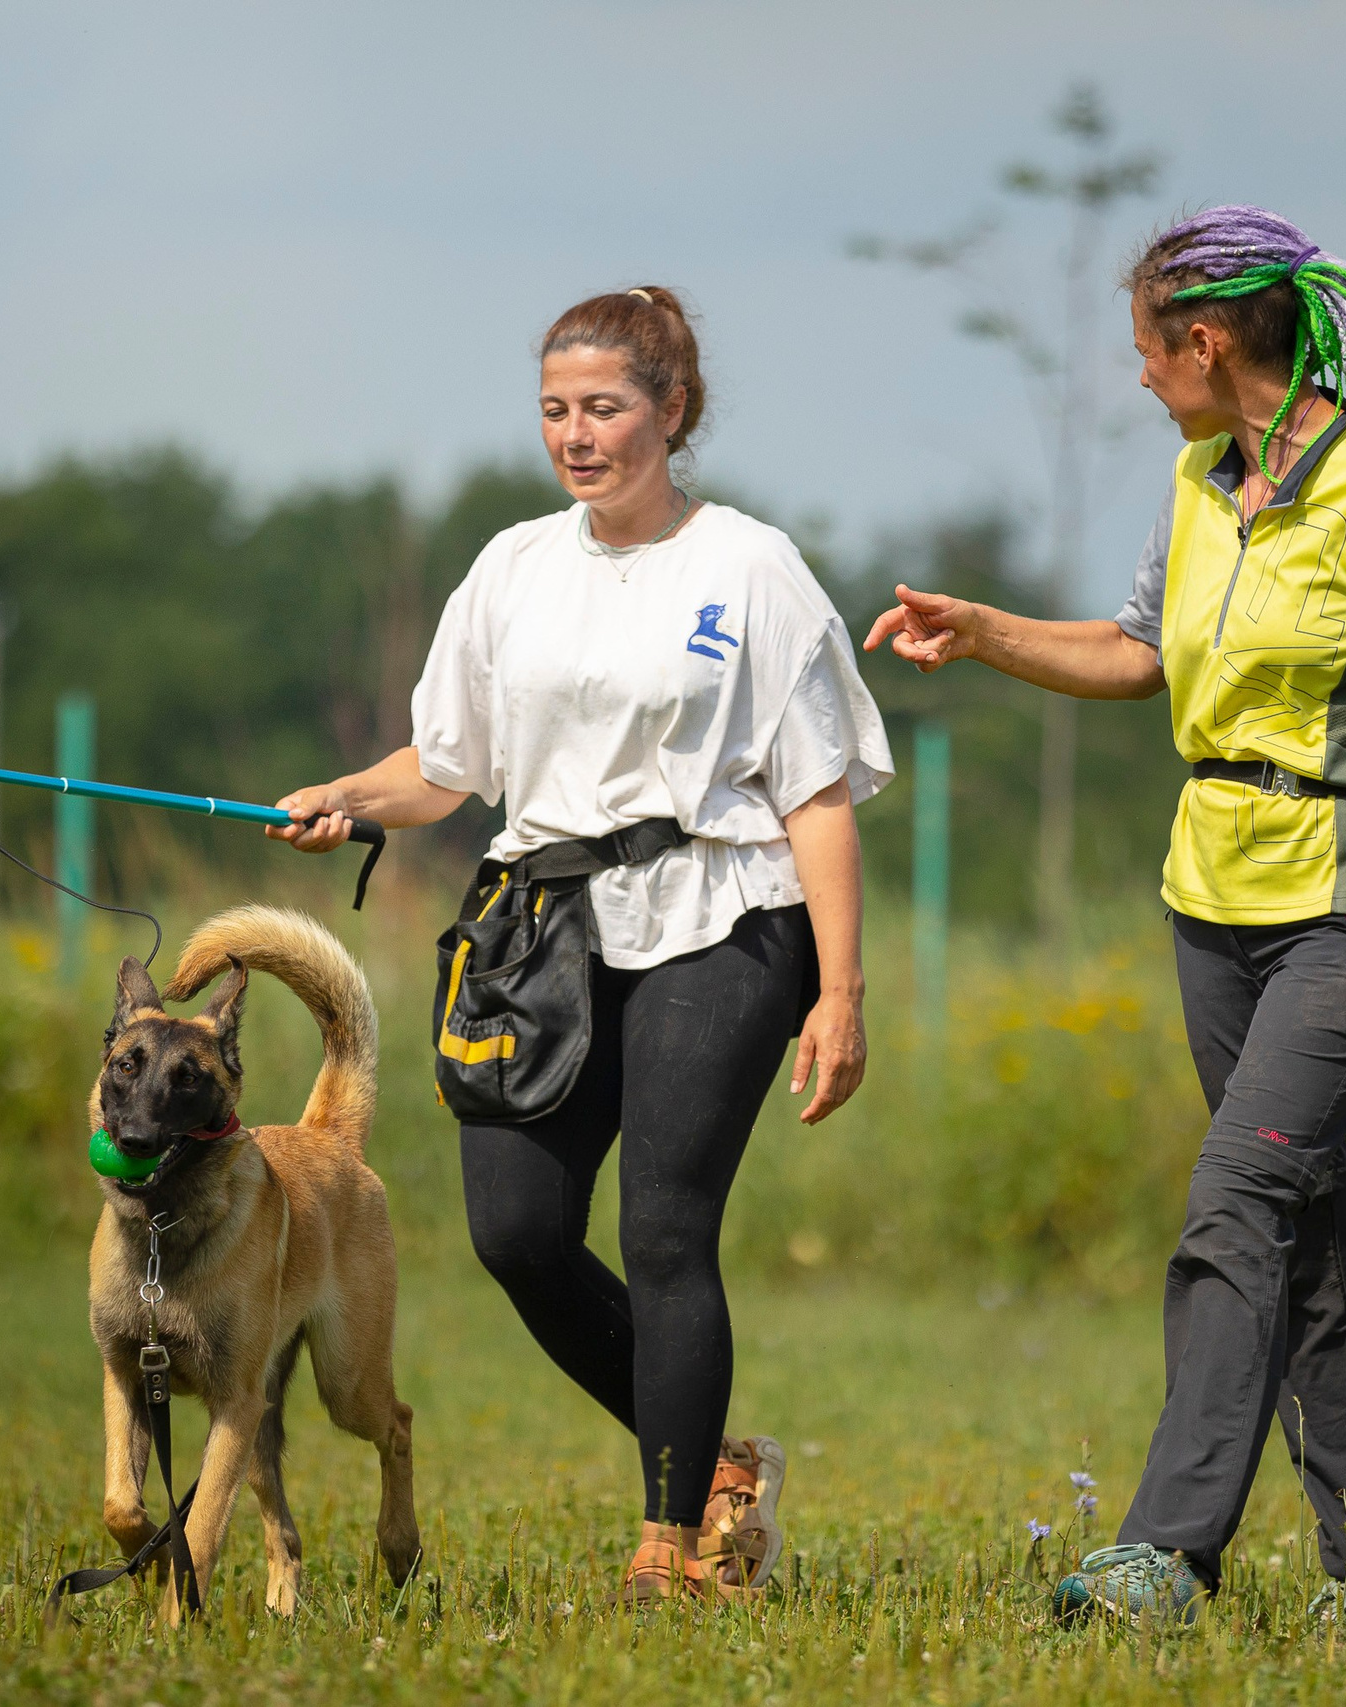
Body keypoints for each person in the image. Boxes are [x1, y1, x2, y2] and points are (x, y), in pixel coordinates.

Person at [865, 206, 1346, 1627]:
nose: (1136, 380)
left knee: (1238, 1196)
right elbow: (1136, 653)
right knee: (1298, 1227)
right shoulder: (1199, 480)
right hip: (1212, 892)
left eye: (1143, 351)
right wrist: (987, 631)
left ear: (1202, 341)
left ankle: (1166, 1554)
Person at [271, 285, 892, 1603]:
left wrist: (838, 992)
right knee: (518, 1233)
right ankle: (716, 1462)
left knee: (666, 1231)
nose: (576, 433)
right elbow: (447, 767)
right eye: (555, 409)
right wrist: (349, 798)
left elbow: (819, 794)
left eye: (603, 407)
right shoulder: (513, 569)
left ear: (673, 411)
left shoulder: (752, 568)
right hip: (540, 932)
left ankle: (678, 1550)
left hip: (722, 918)